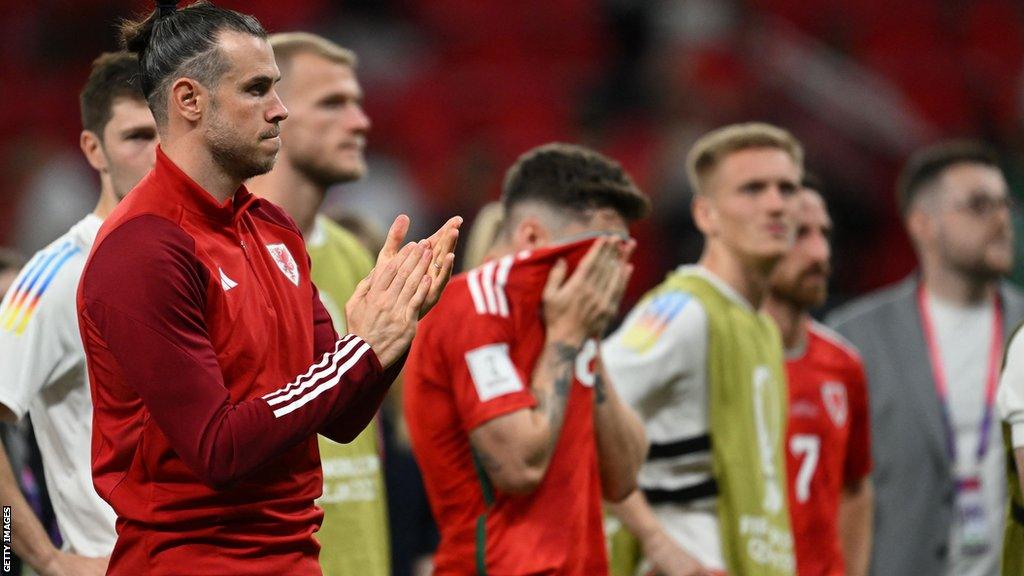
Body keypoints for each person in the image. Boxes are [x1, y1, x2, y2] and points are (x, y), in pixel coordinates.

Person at [77, 3, 459, 574]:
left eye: (276, 88)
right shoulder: (144, 248)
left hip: (295, 558)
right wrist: (360, 350)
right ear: (189, 101)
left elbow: (341, 417)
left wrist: (392, 332)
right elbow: (218, 448)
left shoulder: (273, 228)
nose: (280, 111)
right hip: (192, 562)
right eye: (257, 90)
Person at [404, 143, 649, 574]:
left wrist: (584, 337)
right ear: (533, 238)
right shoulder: (471, 306)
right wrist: (568, 339)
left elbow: (623, 476)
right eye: (601, 252)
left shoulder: (563, 318)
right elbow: (519, 467)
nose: (613, 273)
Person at [247, 31, 412, 576]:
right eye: (333, 103)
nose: (360, 122)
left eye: (358, 103)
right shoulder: (225, 254)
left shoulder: (354, 255)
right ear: (275, 113)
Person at [604, 122, 801, 576]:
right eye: (752, 189)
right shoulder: (682, 313)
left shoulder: (760, 326)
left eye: (787, 189)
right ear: (706, 215)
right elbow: (580, 408)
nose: (776, 203)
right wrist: (658, 543)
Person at [828, 140, 1024, 576]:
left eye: (1004, 203)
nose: (1001, 219)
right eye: (978, 204)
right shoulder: (854, 339)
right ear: (923, 225)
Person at [0, 51, 157, 576]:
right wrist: (43, 558)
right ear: (94, 149)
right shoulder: (53, 277)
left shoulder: (217, 261)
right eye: (137, 136)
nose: (161, 154)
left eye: (170, 133)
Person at [761, 181, 873, 576]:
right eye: (799, 234)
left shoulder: (843, 365)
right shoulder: (712, 352)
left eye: (824, 234)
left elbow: (855, 488)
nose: (820, 253)